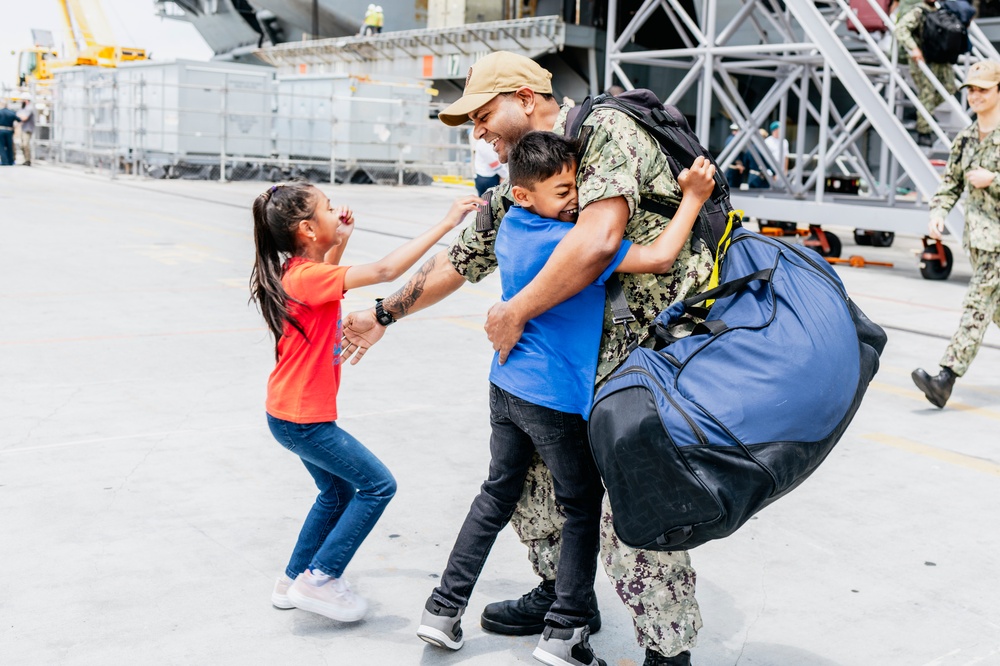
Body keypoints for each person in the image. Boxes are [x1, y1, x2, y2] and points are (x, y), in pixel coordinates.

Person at [340, 51, 713, 666]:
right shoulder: (520, 182)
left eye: (484, 115)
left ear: (523, 96)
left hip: (643, 351)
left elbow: (598, 242)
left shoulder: (603, 133)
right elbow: (460, 261)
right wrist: (383, 315)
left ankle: (667, 647)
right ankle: (564, 598)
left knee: (630, 501)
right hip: (563, 367)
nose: (479, 131)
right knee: (530, 485)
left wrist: (515, 311)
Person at [415, 131, 716, 666]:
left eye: (577, 185)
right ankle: (565, 630)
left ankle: (442, 610)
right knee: (581, 505)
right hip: (552, 399)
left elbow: (463, 263)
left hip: (504, 386)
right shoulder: (575, 246)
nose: (576, 198)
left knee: (494, 495)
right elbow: (662, 255)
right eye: (562, 191)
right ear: (525, 194)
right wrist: (692, 197)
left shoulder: (510, 226)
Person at [250, 181, 481, 623]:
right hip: (305, 419)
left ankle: (292, 580)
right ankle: (320, 579)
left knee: (335, 493)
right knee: (377, 486)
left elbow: (327, 287)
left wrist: (339, 242)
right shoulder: (307, 276)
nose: (336, 210)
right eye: (327, 208)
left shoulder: (297, 271)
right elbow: (385, 272)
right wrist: (448, 223)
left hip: (286, 413)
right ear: (307, 229)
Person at [912, 60, 1000, 408]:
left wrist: (994, 180)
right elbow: (949, 185)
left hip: (998, 245)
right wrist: (938, 213)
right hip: (978, 241)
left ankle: (945, 378)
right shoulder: (964, 139)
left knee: (977, 306)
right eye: (971, 90)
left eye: (982, 89)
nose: (975, 96)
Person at [894, 0, 959, 146]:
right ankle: (924, 131)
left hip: (940, 59)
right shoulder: (918, 10)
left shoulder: (941, 10)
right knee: (927, 94)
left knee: (949, 88)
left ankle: (922, 111)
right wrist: (914, 48)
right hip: (924, 60)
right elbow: (901, 29)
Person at [470, 130, 509, 195]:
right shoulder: (484, 144)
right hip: (489, 179)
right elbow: (494, 163)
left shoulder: (481, 143)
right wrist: (505, 176)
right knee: (489, 202)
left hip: (482, 176)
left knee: (484, 202)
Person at [723, 123, 745, 189]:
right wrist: (739, 164)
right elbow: (734, 154)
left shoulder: (730, 139)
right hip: (733, 170)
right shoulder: (732, 140)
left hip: (732, 170)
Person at [0, 100, 19, 166]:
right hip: (9, 131)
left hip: (1, 131)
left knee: (1, 146)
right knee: (9, 146)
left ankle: (4, 161)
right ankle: (10, 161)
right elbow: (19, 120)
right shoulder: (12, 112)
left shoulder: (0, 112)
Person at [17, 98, 35, 167]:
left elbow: (24, 118)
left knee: (25, 144)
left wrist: (20, 116)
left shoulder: (29, 108)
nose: (21, 102)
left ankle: (28, 160)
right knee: (21, 145)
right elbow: (18, 115)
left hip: (28, 129)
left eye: (22, 100)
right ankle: (25, 160)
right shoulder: (23, 108)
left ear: (26, 100)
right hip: (23, 129)